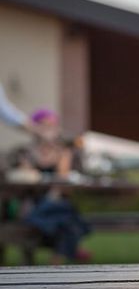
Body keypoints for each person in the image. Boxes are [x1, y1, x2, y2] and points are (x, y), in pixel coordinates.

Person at [24, 109, 90, 263]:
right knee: (66, 217)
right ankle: (64, 253)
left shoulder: (63, 152)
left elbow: (62, 179)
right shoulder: (28, 152)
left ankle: (57, 258)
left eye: (51, 125)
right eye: (43, 125)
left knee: (59, 213)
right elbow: (27, 179)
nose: (48, 129)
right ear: (35, 127)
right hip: (37, 200)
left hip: (55, 198)